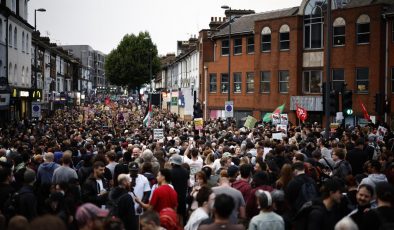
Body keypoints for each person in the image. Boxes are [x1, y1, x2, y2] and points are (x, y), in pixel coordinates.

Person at [170, 154, 189, 225]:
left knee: (174, 215)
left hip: (173, 196)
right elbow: (187, 183)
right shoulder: (186, 172)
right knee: (181, 215)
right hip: (183, 196)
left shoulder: (170, 172)